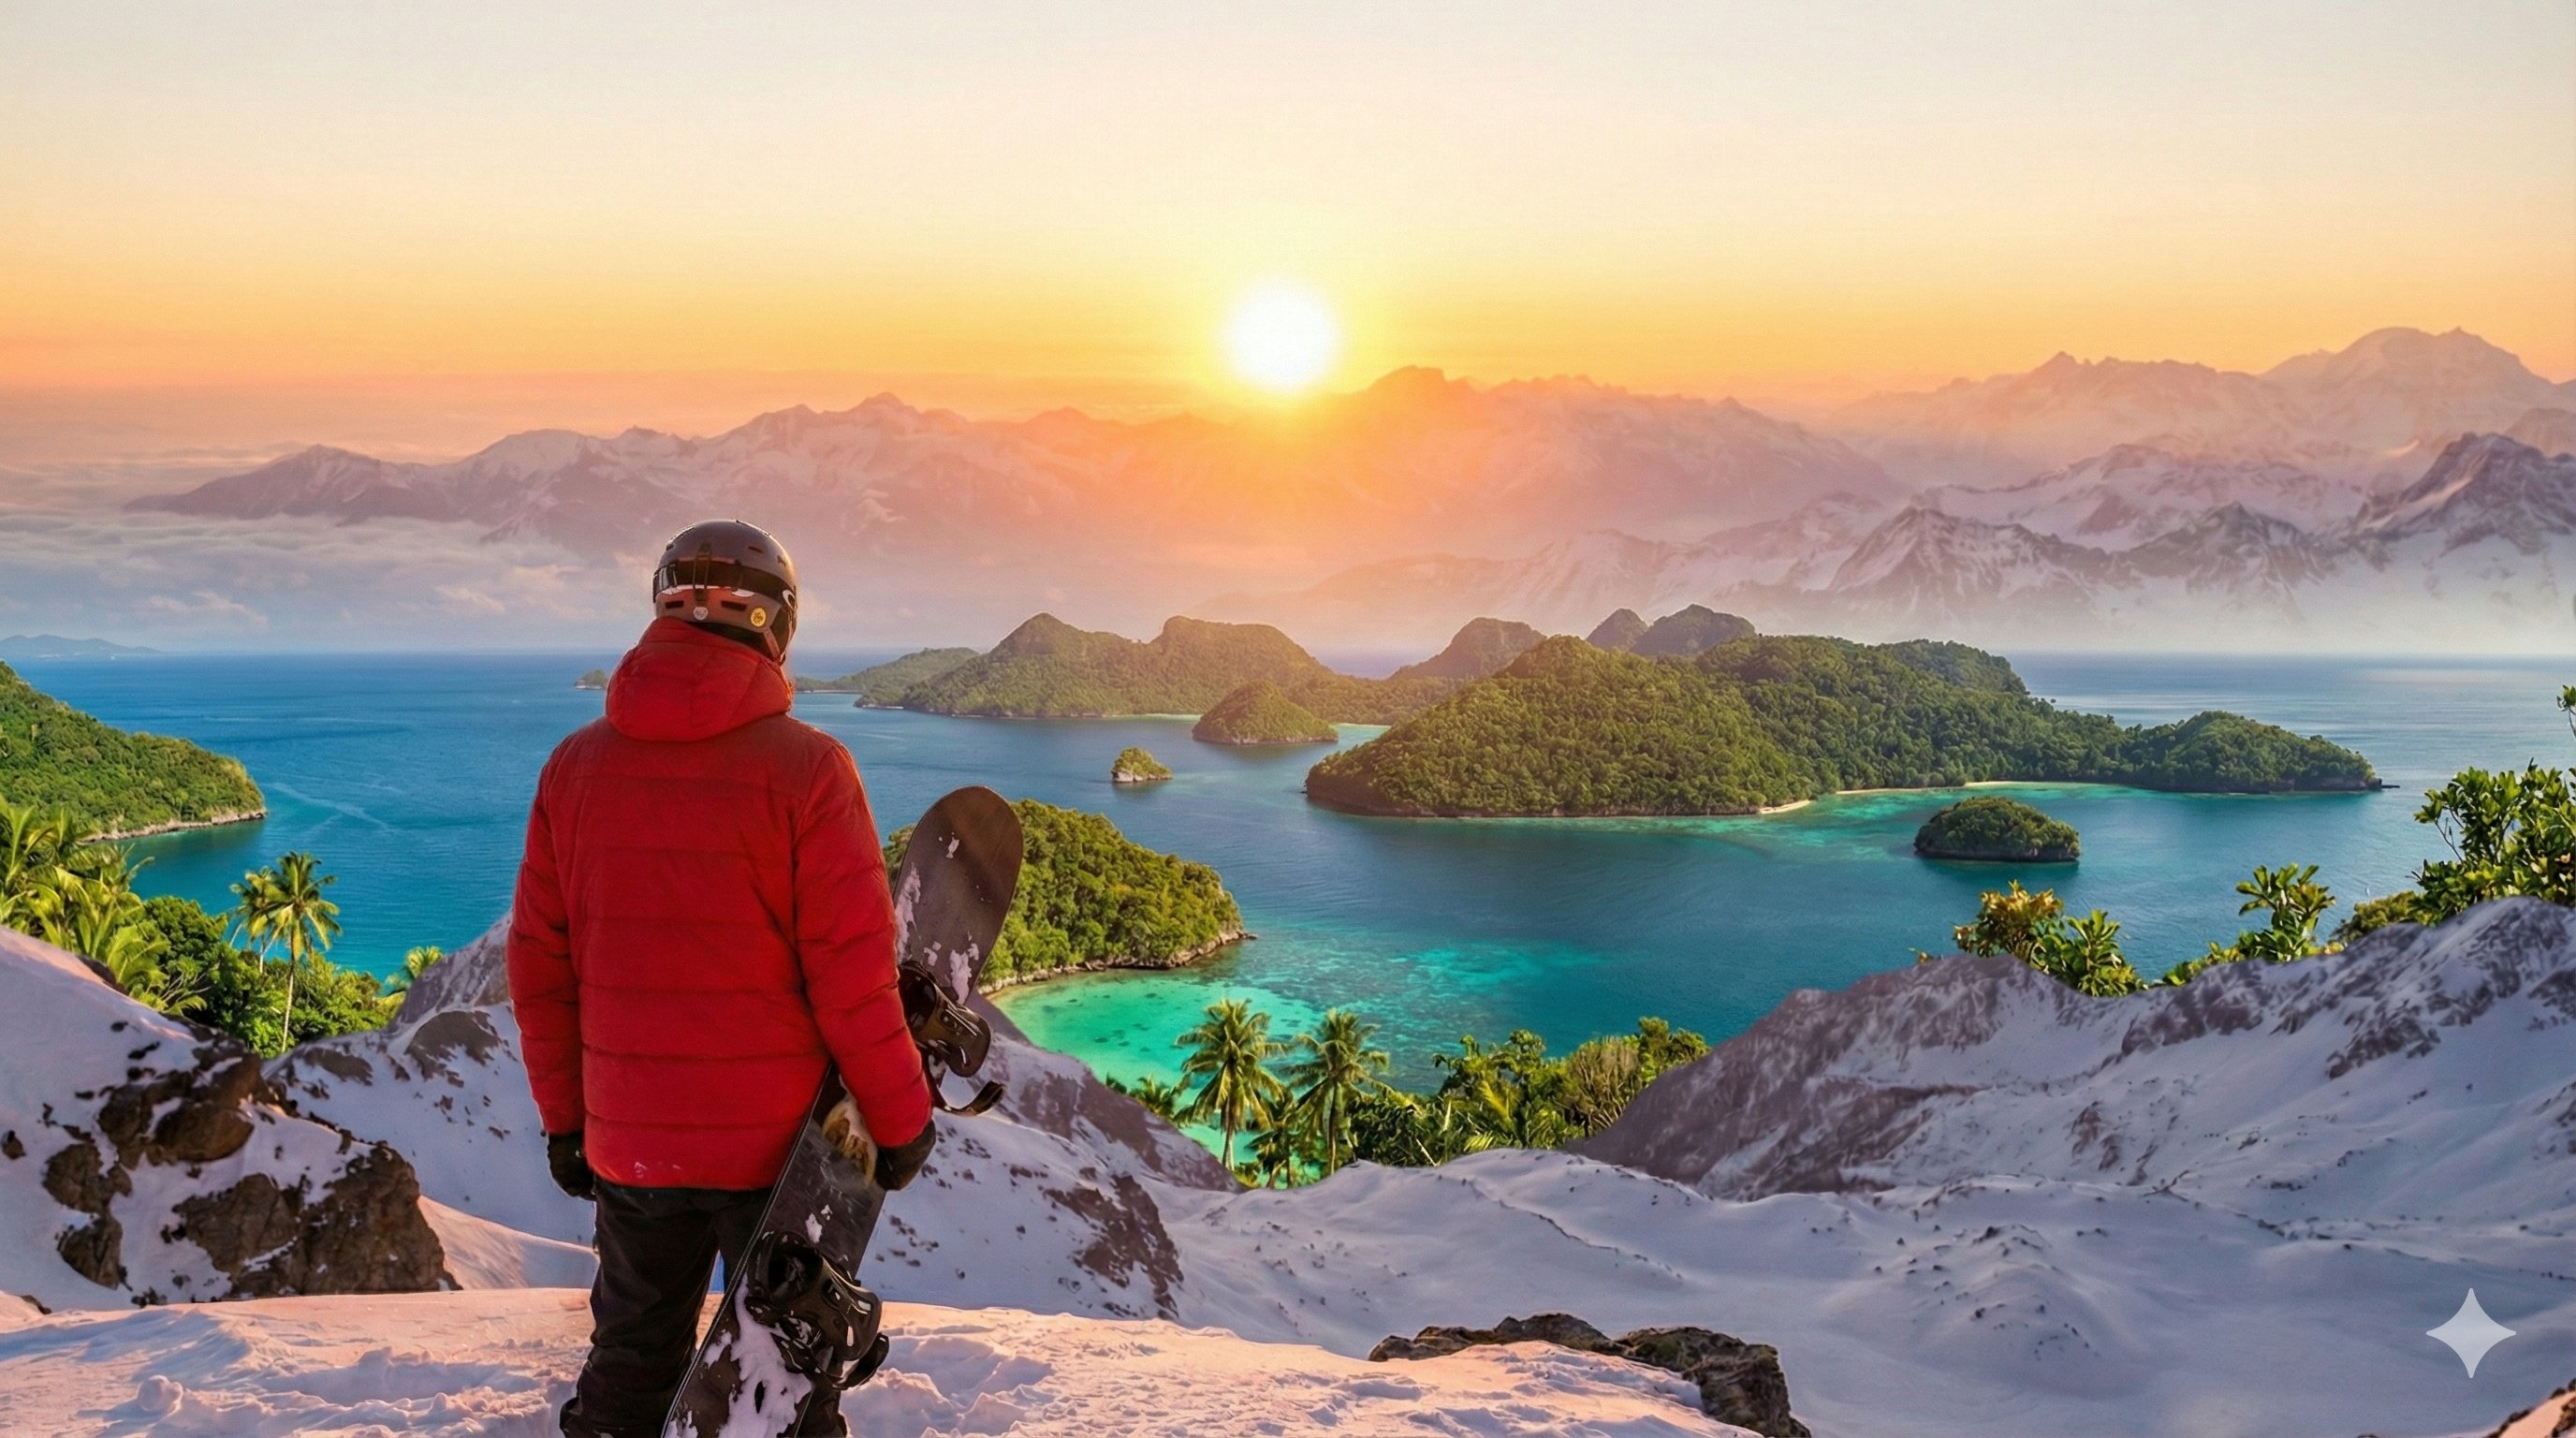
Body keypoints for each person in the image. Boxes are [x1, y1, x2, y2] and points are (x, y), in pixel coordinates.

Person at [507, 519, 936, 1438]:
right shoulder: (810, 770)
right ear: (776, 625)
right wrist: (900, 1122)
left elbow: (540, 967)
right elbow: (852, 978)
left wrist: (565, 1122)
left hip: (633, 1141)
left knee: (629, 1358)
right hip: (776, 1160)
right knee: (782, 1386)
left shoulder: (573, 769)